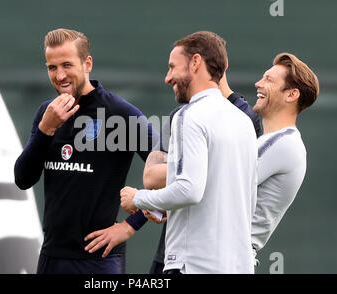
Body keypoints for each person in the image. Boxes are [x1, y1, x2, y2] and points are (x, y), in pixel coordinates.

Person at [14, 28, 158, 274]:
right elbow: (23, 179)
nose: (60, 76)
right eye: (52, 67)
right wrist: (45, 129)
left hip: (99, 261)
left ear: (87, 63)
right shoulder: (46, 113)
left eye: (67, 65)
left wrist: (130, 226)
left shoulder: (120, 114)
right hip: (52, 257)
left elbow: (170, 173)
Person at [120, 31, 258, 274]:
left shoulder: (189, 115)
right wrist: (166, 207)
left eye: (173, 67)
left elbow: (189, 189)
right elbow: (243, 197)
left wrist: (138, 198)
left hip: (192, 265)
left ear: (195, 63)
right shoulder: (243, 121)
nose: (167, 78)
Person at [251, 53, 319, 256]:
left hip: (224, 259)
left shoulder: (282, 143)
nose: (258, 84)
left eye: (268, 80)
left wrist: (156, 198)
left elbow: (218, 182)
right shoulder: (281, 142)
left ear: (291, 95)